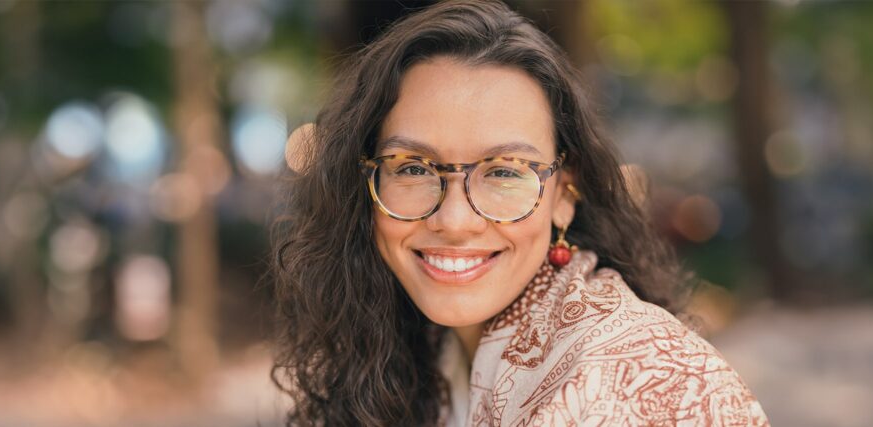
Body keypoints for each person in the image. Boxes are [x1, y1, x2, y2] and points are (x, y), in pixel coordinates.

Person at [270, 1, 770, 425]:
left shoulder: (621, 386)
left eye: (505, 172)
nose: (455, 220)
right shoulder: (413, 349)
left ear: (565, 192)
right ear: (364, 182)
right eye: (414, 168)